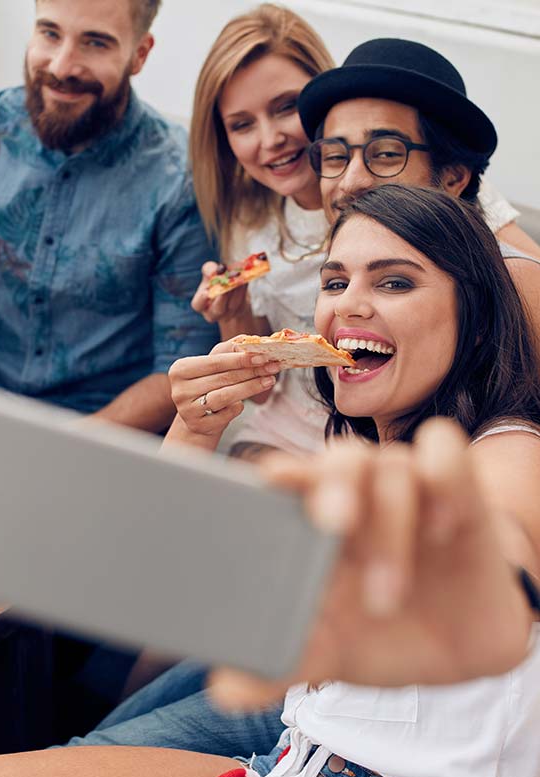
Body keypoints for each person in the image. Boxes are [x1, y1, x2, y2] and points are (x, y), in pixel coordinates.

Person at [0, 184, 539, 777]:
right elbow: (156, 570)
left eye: (394, 283)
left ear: (475, 318)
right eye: (335, 283)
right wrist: (196, 429)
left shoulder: (510, 447)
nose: (348, 305)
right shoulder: (369, 446)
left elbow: (501, 558)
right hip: (296, 762)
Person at [188, 12, 540, 463]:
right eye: (334, 282)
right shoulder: (259, 221)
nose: (352, 180)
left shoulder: (506, 275)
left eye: (387, 154)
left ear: (454, 178)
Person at [0, 0, 218, 427]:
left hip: (108, 432)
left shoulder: (180, 179)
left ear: (139, 54)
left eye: (95, 43)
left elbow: (179, 370)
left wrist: (60, 454)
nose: (62, 66)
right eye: (49, 33)